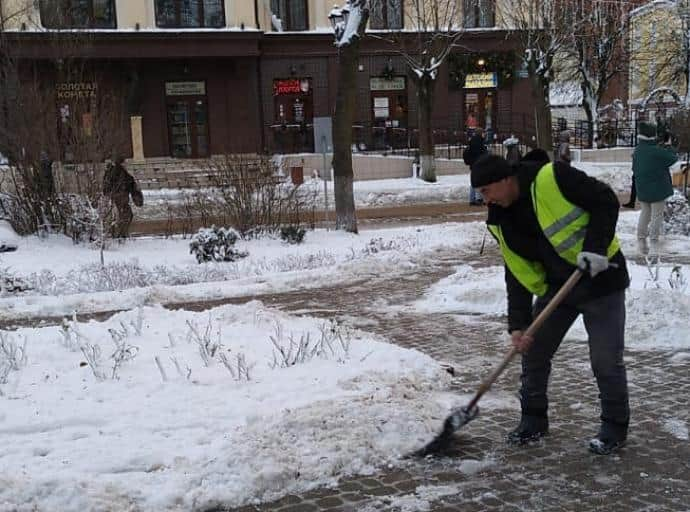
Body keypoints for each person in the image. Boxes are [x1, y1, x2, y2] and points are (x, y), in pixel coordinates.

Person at [470, 151, 630, 455]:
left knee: (605, 360)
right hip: (560, 290)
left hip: (601, 280)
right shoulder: (503, 221)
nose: (485, 200)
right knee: (534, 351)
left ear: (505, 180)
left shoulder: (551, 178)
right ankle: (532, 420)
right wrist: (518, 324)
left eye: (486, 191)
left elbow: (605, 199)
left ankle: (614, 427)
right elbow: (516, 273)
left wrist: (595, 247)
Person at [632, 122, 678, 256]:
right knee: (657, 215)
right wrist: (668, 146)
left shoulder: (638, 150)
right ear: (653, 136)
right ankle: (653, 241)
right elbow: (673, 158)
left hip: (643, 188)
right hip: (657, 189)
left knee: (645, 213)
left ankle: (641, 239)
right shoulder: (656, 151)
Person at [103, 155, 143, 239]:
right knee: (125, 215)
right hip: (120, 199)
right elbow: (132, 186)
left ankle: (119, 235)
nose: (126, 164)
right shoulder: (121, 173)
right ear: (122, 163)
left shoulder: (112, 172)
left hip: (115, 199)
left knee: (119, 217)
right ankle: (120, 236)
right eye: (125, 162)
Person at [464, 127, 487, 205]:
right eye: (483, 133)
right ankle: (479, 199)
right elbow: (481, 154)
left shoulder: (472, 141)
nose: (484, 134)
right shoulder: (479, 142)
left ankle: (472, 199)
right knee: (480, 182)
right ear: (480, 133)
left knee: (473, 182)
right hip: (479, 164)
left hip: (473, 165)